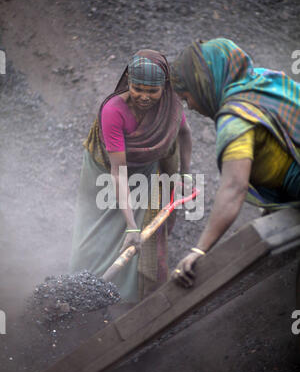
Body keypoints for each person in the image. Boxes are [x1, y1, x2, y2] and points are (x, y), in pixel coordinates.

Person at [170, 38, 300, 287]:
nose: (192, 107)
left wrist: (200, 249)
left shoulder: (235, 119)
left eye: (188, 98)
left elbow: (233, 188)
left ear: (203, 85)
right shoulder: (263, 81)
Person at [70, 49, 192, 303]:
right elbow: (118, 171)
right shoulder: (114, 110)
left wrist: (185, 175)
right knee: (98, 226)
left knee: (140, 229)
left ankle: (126, 294)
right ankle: (80, 286)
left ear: (164, 88)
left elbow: (184, 134)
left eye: (152, 91)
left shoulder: (169, 107)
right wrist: (132, 226)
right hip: (104, 171)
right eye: (138, 88)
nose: (144, 97)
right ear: (128, 81)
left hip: (143, 170)